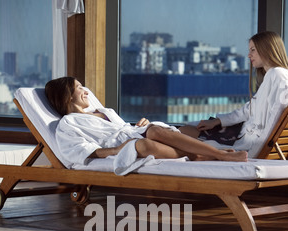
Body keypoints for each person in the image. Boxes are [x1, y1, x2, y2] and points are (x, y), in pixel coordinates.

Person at [45, 77, 247, 169]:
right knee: (145, 144)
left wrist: (140, 126)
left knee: (164, 130)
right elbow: (80, 151)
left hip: (133, 133)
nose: (86, 90)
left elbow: (123, 128)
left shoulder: (102, 111)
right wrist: (116, 150)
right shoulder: (68, 124)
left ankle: (214, 155)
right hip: (125, 144)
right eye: (79, 87)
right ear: (67, 97)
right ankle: (208, 155)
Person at [183, 31, 288, 159]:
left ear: (267, 49)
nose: (249, 55)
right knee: (184, 131)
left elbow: (273, 122)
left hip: (244, 142)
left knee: (182, 133)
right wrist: (217, 121)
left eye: (253, 50)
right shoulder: (273, 76)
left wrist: (253, 156)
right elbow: (248, 110)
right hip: (240, 133)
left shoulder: (277, 75)